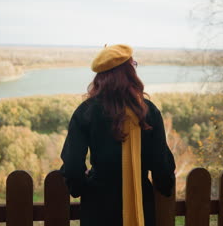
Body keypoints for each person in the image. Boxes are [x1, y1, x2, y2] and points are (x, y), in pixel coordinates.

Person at [60, 44, 176, 226]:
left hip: (98, 206)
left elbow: (73, 166)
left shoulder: (86, 112)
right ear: (130, 74)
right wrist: (164, 186)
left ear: (100, 77)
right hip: (140, 202)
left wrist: (81, 187)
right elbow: (161, 163)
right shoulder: (147, 111)